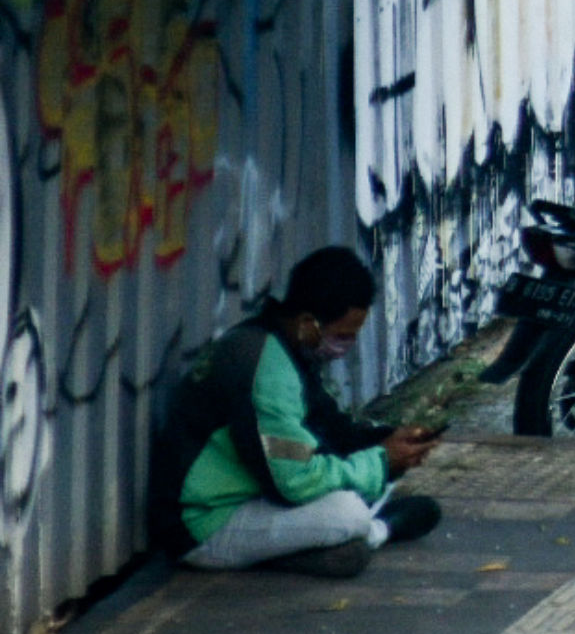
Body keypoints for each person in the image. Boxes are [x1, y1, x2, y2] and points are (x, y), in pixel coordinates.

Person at [149, 247, 443, 578]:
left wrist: (382, 440)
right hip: (204, 524)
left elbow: (328, 427)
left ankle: (317, 544)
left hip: (251, 492)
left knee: (355, 483)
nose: (345, 346)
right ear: (307, 323)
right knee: (349, 513)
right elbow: (294, 481)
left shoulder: (280, 346)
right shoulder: (266, 371)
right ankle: (377, 531)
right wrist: (379, 462)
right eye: (343, 336)